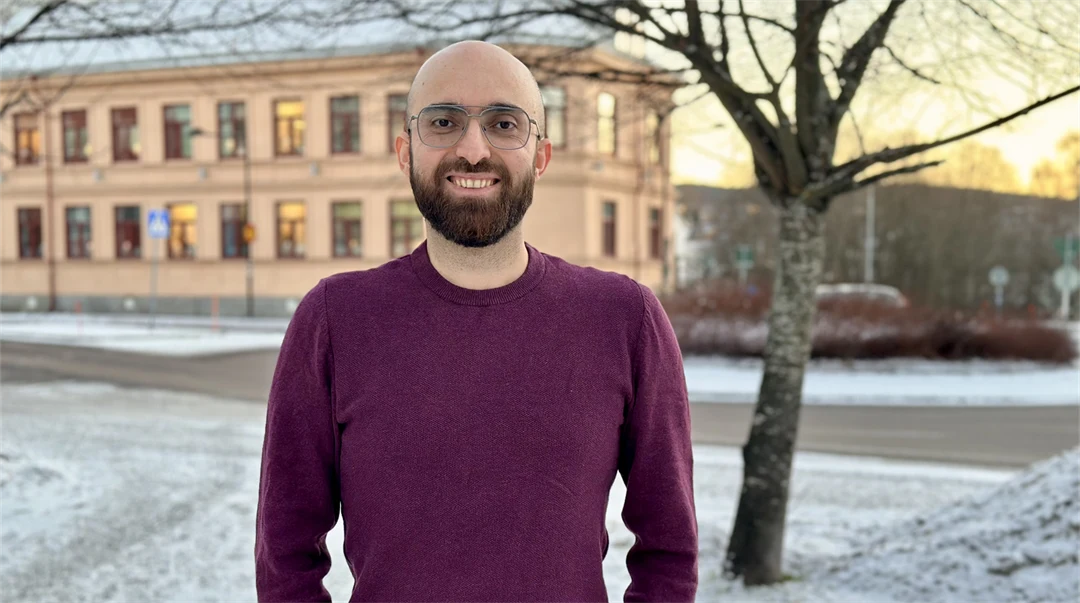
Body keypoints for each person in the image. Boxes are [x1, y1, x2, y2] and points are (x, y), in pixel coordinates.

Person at [255, 40, 697, 602]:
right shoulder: (335, 320)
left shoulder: (624, 317)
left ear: (540, 155)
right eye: (443, 122)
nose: (472, 150)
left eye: (504, 123)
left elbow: (670, 546)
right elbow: (284, 549)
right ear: (405, 152)